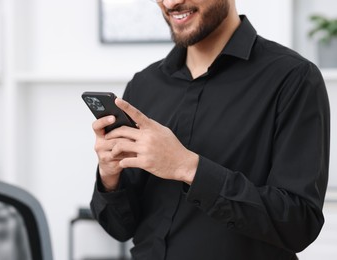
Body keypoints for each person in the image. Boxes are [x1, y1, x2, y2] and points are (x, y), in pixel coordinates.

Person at [89, 0, 330, 259]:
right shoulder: (143, 85)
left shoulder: (293, 78)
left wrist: (188, 167)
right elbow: (119, 228)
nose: (170, 3)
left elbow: (298, 224)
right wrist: (110, 178)